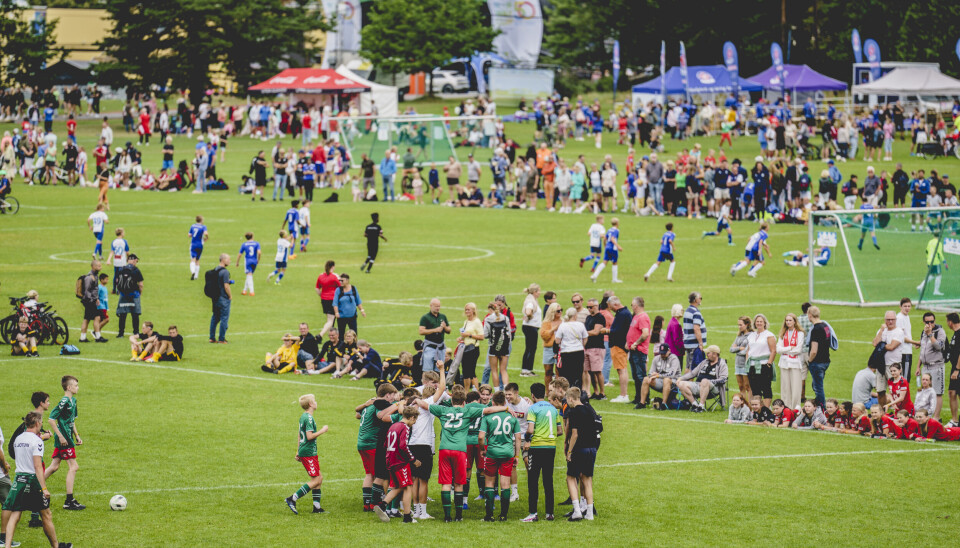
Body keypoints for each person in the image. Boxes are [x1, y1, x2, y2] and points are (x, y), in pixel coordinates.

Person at [2, 412, 72, 548]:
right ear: (37, 423)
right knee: (46, 514)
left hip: (18, 479)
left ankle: (7, 546)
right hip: (31, 480)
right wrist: (44, 488)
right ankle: (56, 546)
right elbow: (37, 466)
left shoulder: (18, 439)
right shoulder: (37, 441)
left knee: (15, 513)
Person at [521, 382, 562, 523]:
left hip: (537, 447)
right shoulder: (554, 408)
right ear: (544, 393)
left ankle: (533, 513)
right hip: (551, 448)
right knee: (548, 480)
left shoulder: (533, 408)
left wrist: (527, 439)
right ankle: (550, 513)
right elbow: (559, 431)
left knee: (533, 480)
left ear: (532, 395)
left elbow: (530, 430)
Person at [478, 391, 520, 522]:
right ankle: (503, 515)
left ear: (493, 403)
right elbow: (518, 438)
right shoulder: (512, 416)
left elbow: (480, 437)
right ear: (505, 402)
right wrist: (516, 455)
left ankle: (489, 515)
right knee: (505, 483)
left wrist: (482, 449)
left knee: (489, 483)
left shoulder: (487, 417)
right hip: (507, 453)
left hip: (492, 452)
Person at [374, 406, 420, 524]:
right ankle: (407, 517)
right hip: (400, 461)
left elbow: (385, 444)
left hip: (390, 460)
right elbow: (403, 446)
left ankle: (382, 505)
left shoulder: (393, 426)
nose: (414, 423)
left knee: (398, 486)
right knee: (408, 487)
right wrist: (413, 459)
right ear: (411, 417)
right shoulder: (405, 427)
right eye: (414, 420)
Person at [43, 375, 83, 511]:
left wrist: (77, 435)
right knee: (74, 467)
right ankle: (69, 500)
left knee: (54, 466)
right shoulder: (64, 401)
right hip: (64, 439)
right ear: (69, 387)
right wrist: (60, 436)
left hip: (68, 437)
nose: (78, 388)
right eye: (76, 385)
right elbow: (51, 419)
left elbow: (71, 421)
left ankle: (32, 486)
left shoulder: (74, 401)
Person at [284, 394, 329, 515]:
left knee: (319, 478)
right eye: (314, 400)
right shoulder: (308, 418)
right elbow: (309, 436)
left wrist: (298, 451)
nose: (316, 402)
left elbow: (300, 434)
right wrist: (322, 431)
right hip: (308, 452)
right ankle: (292, 498)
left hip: (307, 451)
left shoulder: (303, 417)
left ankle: (317, 507)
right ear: (310, 404)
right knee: (316, 480)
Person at [563, 387, 598, 521]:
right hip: (592, 448)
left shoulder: (574, 411)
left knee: (571, 478)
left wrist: (569, 451)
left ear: (571, 398)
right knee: (587, 479)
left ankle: (577, 510)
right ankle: (589, 512)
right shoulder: (590, 409)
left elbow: (575, 434)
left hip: (580, 449)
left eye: (567, 400)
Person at [677, 345, 728, 412]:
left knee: (704, 381)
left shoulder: (722, 364)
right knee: (680, 384)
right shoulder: (704, 362)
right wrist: (681, 378)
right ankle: (694, 404)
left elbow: (723, 379)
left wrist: (709, 382)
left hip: (714, 388)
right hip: (698, 385)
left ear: (715, 354)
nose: (707, 355)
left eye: (708, 353)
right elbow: (693, 373)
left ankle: (701, 406)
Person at [601, 296, 633, 403]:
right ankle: (624, 395)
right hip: (620, 345)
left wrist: (605, 330)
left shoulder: (622, 314)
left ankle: (623, 395)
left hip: (619, 345)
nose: (610, 309)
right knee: (622, 369)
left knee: (621, 370)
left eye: (610, 307)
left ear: (615, 304)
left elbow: (617, 330)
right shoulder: (624, 313)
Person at [917, 311, 946, 421]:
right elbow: (922, 351)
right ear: (923, 322)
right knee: (926, 391)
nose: (930, 324)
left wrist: (930, 335)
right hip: (925, 367)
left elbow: (939, 347)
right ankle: (926, 416)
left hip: (936, 366)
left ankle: (936, 418)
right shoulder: (923, 332)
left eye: (932, 322)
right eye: (927, 322)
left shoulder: (940, 332)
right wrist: (918, 367)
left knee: (937, 392)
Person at [871, 311, 904, 407]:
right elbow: (874, 343)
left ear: (895, 320)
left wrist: (881, 345)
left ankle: (898, 412)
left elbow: (891, 347)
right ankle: (882, 412)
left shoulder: (899, 332)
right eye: (888, 319)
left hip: (893, 365)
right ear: (885, 320)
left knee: (895, 390)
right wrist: (881, 331)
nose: (890, 322)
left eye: (892, 319)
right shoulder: (882, 330)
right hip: (880, 364)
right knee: (880, 390)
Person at [636, 343, 681, 408]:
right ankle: (642, 403)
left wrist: (657, 376)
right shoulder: (656, 358)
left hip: (673, 382)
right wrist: (652, 376)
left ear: (669, 351)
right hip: (660, 381)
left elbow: (671, 374)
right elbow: (650, 373)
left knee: (666, 380)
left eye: (664, 353)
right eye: (661, 353)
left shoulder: (674, 359)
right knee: (646, 379)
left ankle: (663, 404)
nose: (662, 355)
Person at [745, 314, 776, 408]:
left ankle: (766, 410)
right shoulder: (751, 335)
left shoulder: (769, 335)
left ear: (764, 323)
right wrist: (747, 361)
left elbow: (773, 350)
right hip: (752, 365)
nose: (759, 323)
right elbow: (748, 350)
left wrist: (769, 364)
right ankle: (758, 409)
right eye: (757, 321)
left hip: (763, 364)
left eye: (761, 321)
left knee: (766, 388)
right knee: (755, 389)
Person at [776, 313, 805, 410]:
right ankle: (785, 409)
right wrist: (789, 348)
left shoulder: (800, 333)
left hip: (795, 363)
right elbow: (778, 349)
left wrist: (785, 350)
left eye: (790, 320)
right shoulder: (783, 333)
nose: (788, 322)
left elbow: (798, 350)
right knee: (785, 388)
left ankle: (795, 409)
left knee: (796, 388)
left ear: (795, 321)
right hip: (784, 363)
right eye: (787, 320)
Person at [555, 308, 588, 390]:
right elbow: (585, 337)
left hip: (566, 352)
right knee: (578, 373)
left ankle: (567, 391)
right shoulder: (580, 325)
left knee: (566, 373)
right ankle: (577, 391)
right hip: (578, 351)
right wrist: (581, 345)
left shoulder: (563, 325)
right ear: (575, 315)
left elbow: (557, 340)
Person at [626, 296, 651, 405]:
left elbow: (645, 333)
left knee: (640, 375)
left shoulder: (643, 317)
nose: (632, 307)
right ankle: (638, 397)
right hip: (633, 350)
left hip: (639, 350)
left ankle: (644, 399)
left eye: (632, 305)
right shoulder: (636, 316)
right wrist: (628, 342)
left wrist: (635, 343)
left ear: (636, 306)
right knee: (636, 375)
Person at [805, 306, 832, 407]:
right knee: (815, 385)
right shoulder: (825, 326)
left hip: (817, 362)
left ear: (810, 315)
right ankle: (817, 405)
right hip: (825, 360)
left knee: (818, 388)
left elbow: (814, 350)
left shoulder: (815, 329)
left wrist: (809, 360)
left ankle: (823, 409)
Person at [115, 253, 143, 339]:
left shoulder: (121, 269)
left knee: (123, 314)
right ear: (134, 260)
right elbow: (141, 284)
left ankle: (121, 333)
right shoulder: (136, 270)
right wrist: (140, 293)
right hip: (134, 295)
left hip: (123, 295)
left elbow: (116, 280)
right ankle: (136, 332)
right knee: (135, 315)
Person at [419, 298, 450, 374]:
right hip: (430, 347)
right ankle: (427, 385)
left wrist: (445, 327)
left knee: (439, 370)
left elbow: (449, 330)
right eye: (436, 306)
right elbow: (421, 331)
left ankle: (438, 385)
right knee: (428, 371)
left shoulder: (443, 317)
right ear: (431, 306)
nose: (438, 308)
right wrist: (435, 330)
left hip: (441, 347)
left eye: (439, 306)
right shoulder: (425, 317)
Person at [581, 299, 605, 395]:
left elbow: (596, 332)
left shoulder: (600, 317)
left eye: (590, 307)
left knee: (597, 371)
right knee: (589, 371)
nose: (589, 309)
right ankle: (596, 391)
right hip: (588, 347)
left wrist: (583, 333)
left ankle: (602, 393)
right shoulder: (588, 317)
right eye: (588, 307)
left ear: (596, 306)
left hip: (597, 347)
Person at [590, 218, 623, 283]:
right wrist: (618, 246)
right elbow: (612, 239)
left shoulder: (609, 230)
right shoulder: (616, 230)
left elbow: (605, 238)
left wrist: (605, 246)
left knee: (604, 262)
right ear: (617, 224)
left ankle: (594, 276)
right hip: (613, 248)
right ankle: (614, 279)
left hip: (607, 247)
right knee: (615, 262)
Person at [520, 284, 542, 377]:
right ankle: (527, 370)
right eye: (539, 291)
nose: (540, 293)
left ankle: (525, 369)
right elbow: (528, 311)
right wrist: (530, 316)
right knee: (531, 348)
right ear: (534, 292)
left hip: (529, 327)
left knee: (529, 348)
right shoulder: (530, 301)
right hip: (530, 327)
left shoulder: (531, 299)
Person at [208, 253, 231, 343]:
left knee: (215, 317)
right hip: (223, 298)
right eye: (228, 259)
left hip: (215, 298)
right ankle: (221, 339)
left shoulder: (215, 270)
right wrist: (230, 296)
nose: (229, 261)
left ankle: (212, 338)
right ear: (223, 260)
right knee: (224, 318)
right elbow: (226, 286)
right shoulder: (225, 272)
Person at [333, 273, 364, 339]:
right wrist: (336, 312)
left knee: (354, 334)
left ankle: (354, 347)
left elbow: (358, 300)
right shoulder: (338, 290)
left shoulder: (353, 289)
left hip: (352, 316)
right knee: (341, 334)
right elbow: (335, 303)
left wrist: (362, 310)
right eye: (340, 280)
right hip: (342, 317)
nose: (340, 282)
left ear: (347, 281)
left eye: (342, 280)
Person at [682, 292, 707, 371]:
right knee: (692, 369)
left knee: (688, 367)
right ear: (696, 300)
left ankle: (686, 382)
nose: (701, 300)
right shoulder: (696, 312)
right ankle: (687, 383)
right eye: (700, 298)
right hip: (694, 344)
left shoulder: (687, 311)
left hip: (688, 343)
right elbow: (696, 329)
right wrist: (700, 343)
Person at [730, 316, 753, 400]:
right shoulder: (739, 336)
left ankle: (750, 406)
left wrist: (738, 349)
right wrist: (739, 348)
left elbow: (747, 351)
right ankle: (743, 405)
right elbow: (731, 349)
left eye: (741, 325)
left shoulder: (751, 336)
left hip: (746, 364)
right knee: (740, 386)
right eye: (738, 325)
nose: (739, 327)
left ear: (747, 324)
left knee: (748, 386)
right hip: (737, 364)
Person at [315, 261, 340, 338]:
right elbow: (340, 287)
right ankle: (320, 335)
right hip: (333, 300)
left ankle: (332, 337)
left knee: (330, 320)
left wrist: (322, 295)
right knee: (330, 320)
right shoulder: (335, 276)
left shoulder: (321, 276)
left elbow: (317, 288)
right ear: (332, 267)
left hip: (324, 300)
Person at [236, 232, 261, 297]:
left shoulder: (244, 244)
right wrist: (258, 260)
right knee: (249, 275)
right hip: (254, 261)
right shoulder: (257, 243)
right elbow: (259, 252)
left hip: (248, 261)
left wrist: (237, 262)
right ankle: (244, 290)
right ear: (252, 236)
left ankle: (252, 292)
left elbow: (239, 254)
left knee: (249, 275)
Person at [946, 312, 960, 427]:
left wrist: (957, 369)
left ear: (950, 322)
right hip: (954, 367)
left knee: (957, 393)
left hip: (958, 368)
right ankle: (955, 420)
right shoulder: (955, 333)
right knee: (952, 392)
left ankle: (956, 420)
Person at [108, 228, 129, 295]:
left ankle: (114, 289)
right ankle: (119, 290)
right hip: (122, 261)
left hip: (116, 261)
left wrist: (108, 260)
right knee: (122, 276)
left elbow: (112, 252)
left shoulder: (114, 242)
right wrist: (128, 258)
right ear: (121, 233)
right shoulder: (124, 241)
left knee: (116, 275)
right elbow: (127, 252)